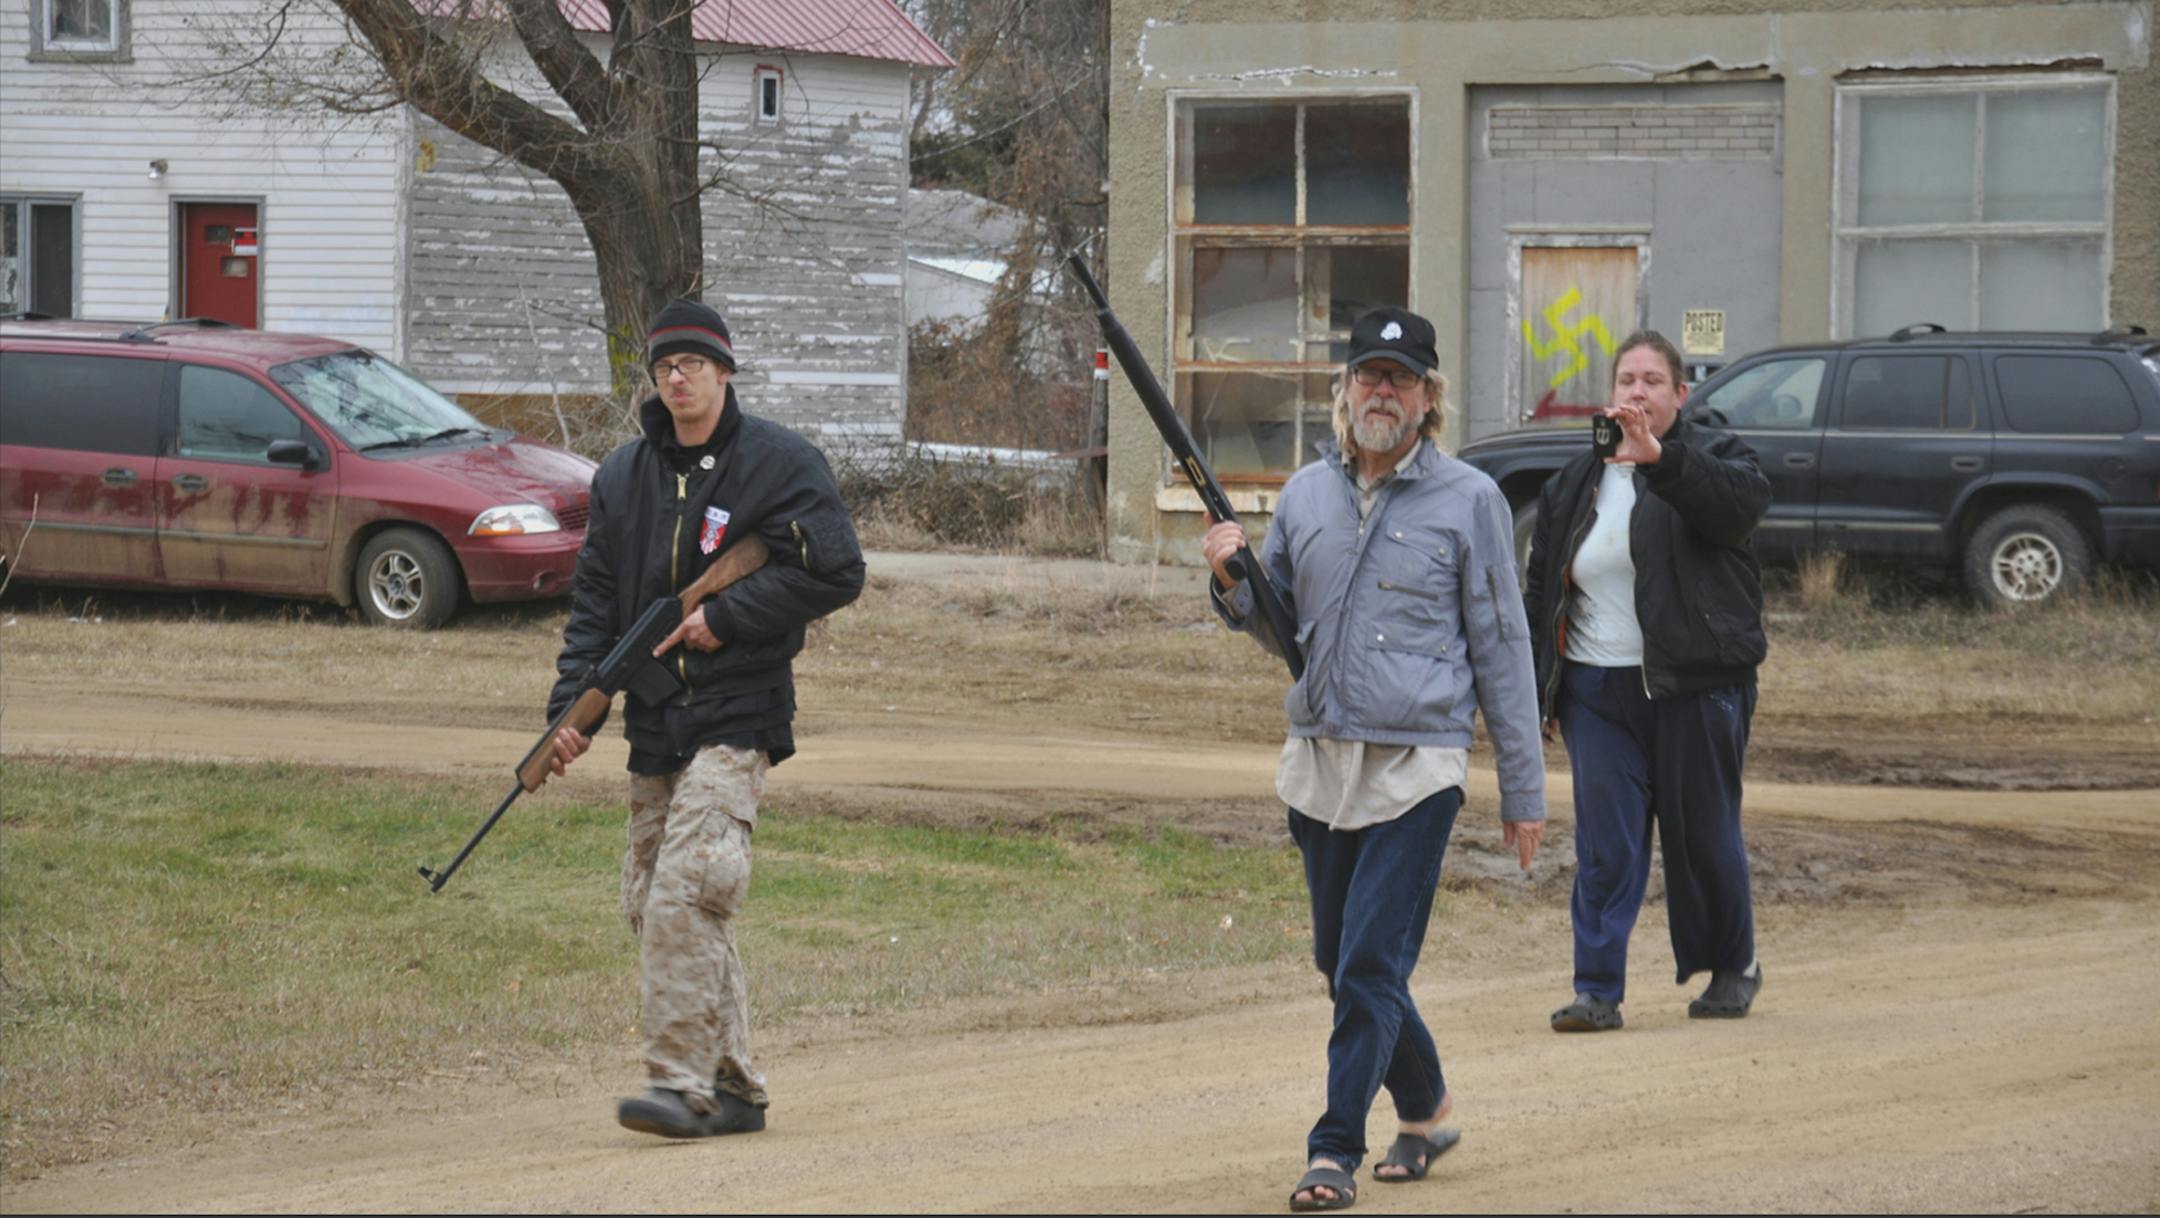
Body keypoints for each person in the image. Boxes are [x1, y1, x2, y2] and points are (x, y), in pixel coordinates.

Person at [1203, 307, 1546, 1212]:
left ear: (1430, 399)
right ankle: (1428, 1109)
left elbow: (1505, 649)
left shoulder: (1470, 499)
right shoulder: (1305, 494)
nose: (1381, 391)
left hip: (1417, 769)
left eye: (1401, 378)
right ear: (1344, 389)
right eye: (1368, 374)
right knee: (1342, 959)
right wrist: (1230, 579)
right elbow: (1272, 625)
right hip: (1319, 760)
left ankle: (1333, 1151)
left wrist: (1523, 789)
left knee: (1366, 969)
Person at [544, 298, 865, 1138]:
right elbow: (594, 608)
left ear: (724, 371)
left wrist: (727, 616)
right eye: (664, 366)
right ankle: (736, 1087)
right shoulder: (621, 477)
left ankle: (678, 1083)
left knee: (692, 886)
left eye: (692, 363)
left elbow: (836, 571)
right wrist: (567, 711)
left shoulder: (780, 464)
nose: (677, 377)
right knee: (649, 899)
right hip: (655, 720)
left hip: (740, 708)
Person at [1522, 330, 1772, 1034]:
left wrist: (1660, 461)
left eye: (1653, 381)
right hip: (1598, 694)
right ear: (1611, 394)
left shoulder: (1717, 460)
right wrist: (1544, 687)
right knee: (1608, 844)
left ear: (1680, 395)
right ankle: (1597, 990)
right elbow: (1543, 587)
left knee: (1705, 835)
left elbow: (1735, 510)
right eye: (1627, 380)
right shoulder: (1577, 481)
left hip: (1696, 686)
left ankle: (1733, 965)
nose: (1637, 392)